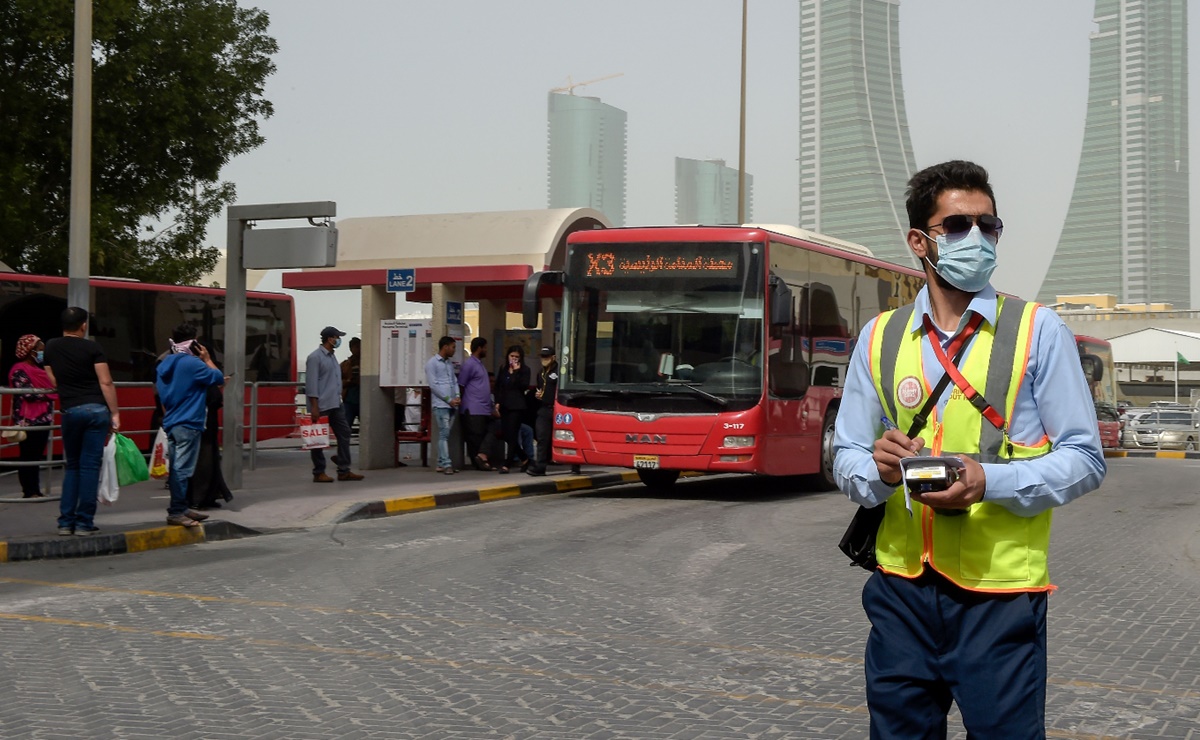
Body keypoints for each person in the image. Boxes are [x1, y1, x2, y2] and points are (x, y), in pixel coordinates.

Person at [831, 160, 1107, 738]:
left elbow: (1085, 456)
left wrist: (988, 482)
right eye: (958, 226)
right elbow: (847, 454)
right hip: (901, 593)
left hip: (999, 598)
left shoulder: (1037, 329)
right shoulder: (879, 338)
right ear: (920, 241)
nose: (977, 240)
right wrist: (878, 473)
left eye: (989, 226)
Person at [44, 307, 121, 536]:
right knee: (89, 468)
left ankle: (65, 522)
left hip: (70, 410)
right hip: (96, 410)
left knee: (73, 466)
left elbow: (53, 379)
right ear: (83, 325)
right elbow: (105, 382)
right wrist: (115, 413)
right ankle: (84, 523)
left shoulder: (50, 346)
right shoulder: (93, 348)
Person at [156, 325, 225, 528]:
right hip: (189, 422)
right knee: (182, 470)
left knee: (178, 467)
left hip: (172, 421)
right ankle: (177, 511)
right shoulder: (193, 364)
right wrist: (206, 358)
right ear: (194, 342)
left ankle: (182, 507)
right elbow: (218, 378)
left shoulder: (164, 364)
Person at [306, 326, 365, 483]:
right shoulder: (315, 358)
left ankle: (344, 470)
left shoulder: (332, 357)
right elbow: (311, 385)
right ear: (329, 338)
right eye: (337, 337)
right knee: (318, 439)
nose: (339, 340)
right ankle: (319, 472)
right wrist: (314, 407)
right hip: (322, 404)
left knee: (344, 433)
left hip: (336, 403)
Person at [7, 334, 57, 497]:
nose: (43, 353)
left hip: (43, 419)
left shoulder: (40, 371)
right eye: (40, 350)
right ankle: (28, 491)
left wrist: (45, 392)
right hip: (27, 421)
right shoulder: (19, 370)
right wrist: (48, 393)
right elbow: (27, 394)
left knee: (36, 456)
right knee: (28, 455)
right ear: (30, 351)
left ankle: (35, 489)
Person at [456, 337, 494, 470]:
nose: (486, 350)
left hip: (483, 408)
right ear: (479, 348)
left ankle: (481, 459)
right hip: (472, 408)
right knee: (475, 437)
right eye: (485, 347)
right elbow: (461, 384)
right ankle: (478, 463)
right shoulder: (469, 364)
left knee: (489, 431)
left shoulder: (479, 364)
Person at [425, 336, 460, 474]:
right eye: (452, 347)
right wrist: (448, 399)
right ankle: (447, 464)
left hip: (452, 404)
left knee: (445, 434)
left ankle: (440, 463)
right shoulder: (432, 363)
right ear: (445, 347)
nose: (454, 350)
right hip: (441, 405)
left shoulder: (448, 364)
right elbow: (433, 386)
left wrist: (457, 396)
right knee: (444, 434)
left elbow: (454, 381)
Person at [494, 345, 531, 474]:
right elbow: (499, 386)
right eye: (512, 356)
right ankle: (525, 458)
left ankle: (507, 464)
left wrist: (516, 372)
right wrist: (497, 402)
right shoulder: (503, 368)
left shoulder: (525, 370)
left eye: (516, 357)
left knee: (513, 433)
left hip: (517, 406)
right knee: (506, 434)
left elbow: (523, 386)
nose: (514, 359)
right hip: (504, 406)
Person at [526, 346, 558, 476]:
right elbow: (540, 388)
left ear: (553, 357)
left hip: (557, 409)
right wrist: (539, 394)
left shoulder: (559, 372)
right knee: (542, 437)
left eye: (547, 357)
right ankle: (540, 466)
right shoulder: (540, 373)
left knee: (564, 437)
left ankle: (575, 464)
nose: (544, 359)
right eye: (543, 357)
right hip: (544, 408)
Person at [340, 336, 361, 429]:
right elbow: (338, 382)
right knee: (346, 427)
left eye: (359, 347)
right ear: (351, 349)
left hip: (363, 400)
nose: (358, 349)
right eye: (356, 347)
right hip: (349, 400)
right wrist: (349, 382)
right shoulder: (345, 365)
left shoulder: (368, 363)